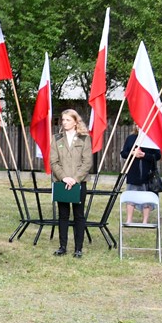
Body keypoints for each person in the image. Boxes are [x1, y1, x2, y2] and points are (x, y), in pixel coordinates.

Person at [49, 109, 92, 258]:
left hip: (79, 183)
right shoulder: (56, 138)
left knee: (79, 215)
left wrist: (75, 179)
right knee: (63, 215)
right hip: (62, 182)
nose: (64, 122)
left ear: (75, 121)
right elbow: (53, 161)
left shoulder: (84, 139)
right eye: (63, 120)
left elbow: (87, 162)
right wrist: (64, 178)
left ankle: (78, 248)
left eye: (68, 120)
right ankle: (62, 247)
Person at [120, 128, 161, 224]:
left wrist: (144, 155)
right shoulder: (131, 138)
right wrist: (132, 153)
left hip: (147, 173)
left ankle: (145, 221)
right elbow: (123, 153)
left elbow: (157, 156)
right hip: (133, 172)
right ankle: (129, 220)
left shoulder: (151, 139)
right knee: (131, 197)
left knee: (147, 197)